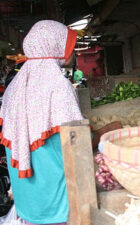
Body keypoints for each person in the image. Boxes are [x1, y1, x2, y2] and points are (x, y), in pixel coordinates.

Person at [0, 20, 83, 225]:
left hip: (27, 205)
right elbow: (77, 142)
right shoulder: (58, 85)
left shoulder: (15, 86)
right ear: (54, 47)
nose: (73, 53)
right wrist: (104, 133)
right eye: (70, 47)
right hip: (57, 207)